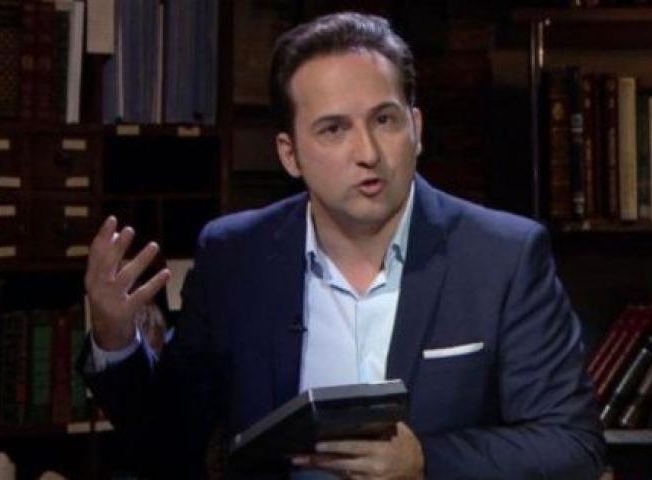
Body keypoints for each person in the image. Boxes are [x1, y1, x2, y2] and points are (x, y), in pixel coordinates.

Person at [80, 11, 605, 479]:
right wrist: (115, 340)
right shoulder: (235, 256)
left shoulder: (503, 256)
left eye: (384, 120)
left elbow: (572, 445)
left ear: (416, 128)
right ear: (290, 154)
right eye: (333, 129)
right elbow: (169, 445)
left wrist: (426, 462)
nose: (368, 152)